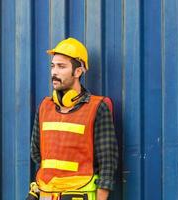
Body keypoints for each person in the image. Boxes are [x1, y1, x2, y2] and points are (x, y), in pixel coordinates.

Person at [29, 37, 118, 200]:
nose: (54, 72)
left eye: (61, 66)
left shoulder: (97, 108)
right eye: (53, 66)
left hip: (79, 194)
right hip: (47, 194)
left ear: (78, 72)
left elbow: (107, 163)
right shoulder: (44, 107)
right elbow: (36, 153)